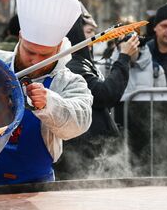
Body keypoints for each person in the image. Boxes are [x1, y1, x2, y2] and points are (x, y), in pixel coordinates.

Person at [0, 0, 93, 187]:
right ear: (20, 37)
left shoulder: (69, 81)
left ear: (58, 47)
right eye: (30, 51)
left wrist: (50, 104)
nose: (36, 61)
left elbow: (80, 121)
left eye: (45, 55)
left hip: (35, 184)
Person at [54, 11, 137, 180]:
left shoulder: (81, 61)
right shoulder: (73, 64)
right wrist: (123, 57)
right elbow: (105, 94)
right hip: (84, 150)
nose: (95, 37)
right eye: (90, 32)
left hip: (93, 147)